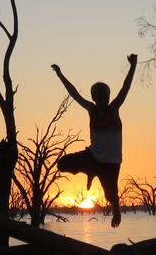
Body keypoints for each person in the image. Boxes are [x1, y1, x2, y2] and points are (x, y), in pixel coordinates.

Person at [51, 54, 137, 227]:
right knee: (62, 164)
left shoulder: (114, 108)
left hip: (111, 162)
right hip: (92, 157)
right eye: (98, 97)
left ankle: (117, 213)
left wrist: (133, 65)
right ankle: (90, 171)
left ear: (108, 96)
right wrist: (60, 74)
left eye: (105, 96)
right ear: (94, 98)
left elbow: (125, 87)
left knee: (111, 195)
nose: (102, 100)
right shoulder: (91, 110)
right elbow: (74, 93)